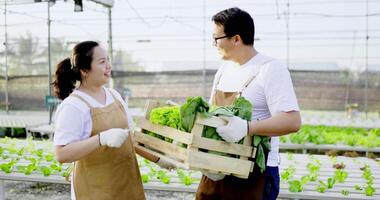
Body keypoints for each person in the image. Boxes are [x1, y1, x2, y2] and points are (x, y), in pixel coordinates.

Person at [195, 8, 301, 200]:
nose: (214, 43)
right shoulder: (223, 70)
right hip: (215, 169)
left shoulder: (269, 69)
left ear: (236, 39)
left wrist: (247, 127)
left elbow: (292, 121)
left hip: (254, 173)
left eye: (216, 38)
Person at [53, 41, 174, 200]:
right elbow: (61, 154)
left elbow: (130, 137)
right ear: (84, 70)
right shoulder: (74, 106)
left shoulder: (114, 96)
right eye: (102, 62)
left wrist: (158, 159)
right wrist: (101, 139)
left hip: (127, 182)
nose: (109, 66)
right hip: (96, 189)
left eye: (108, 60)